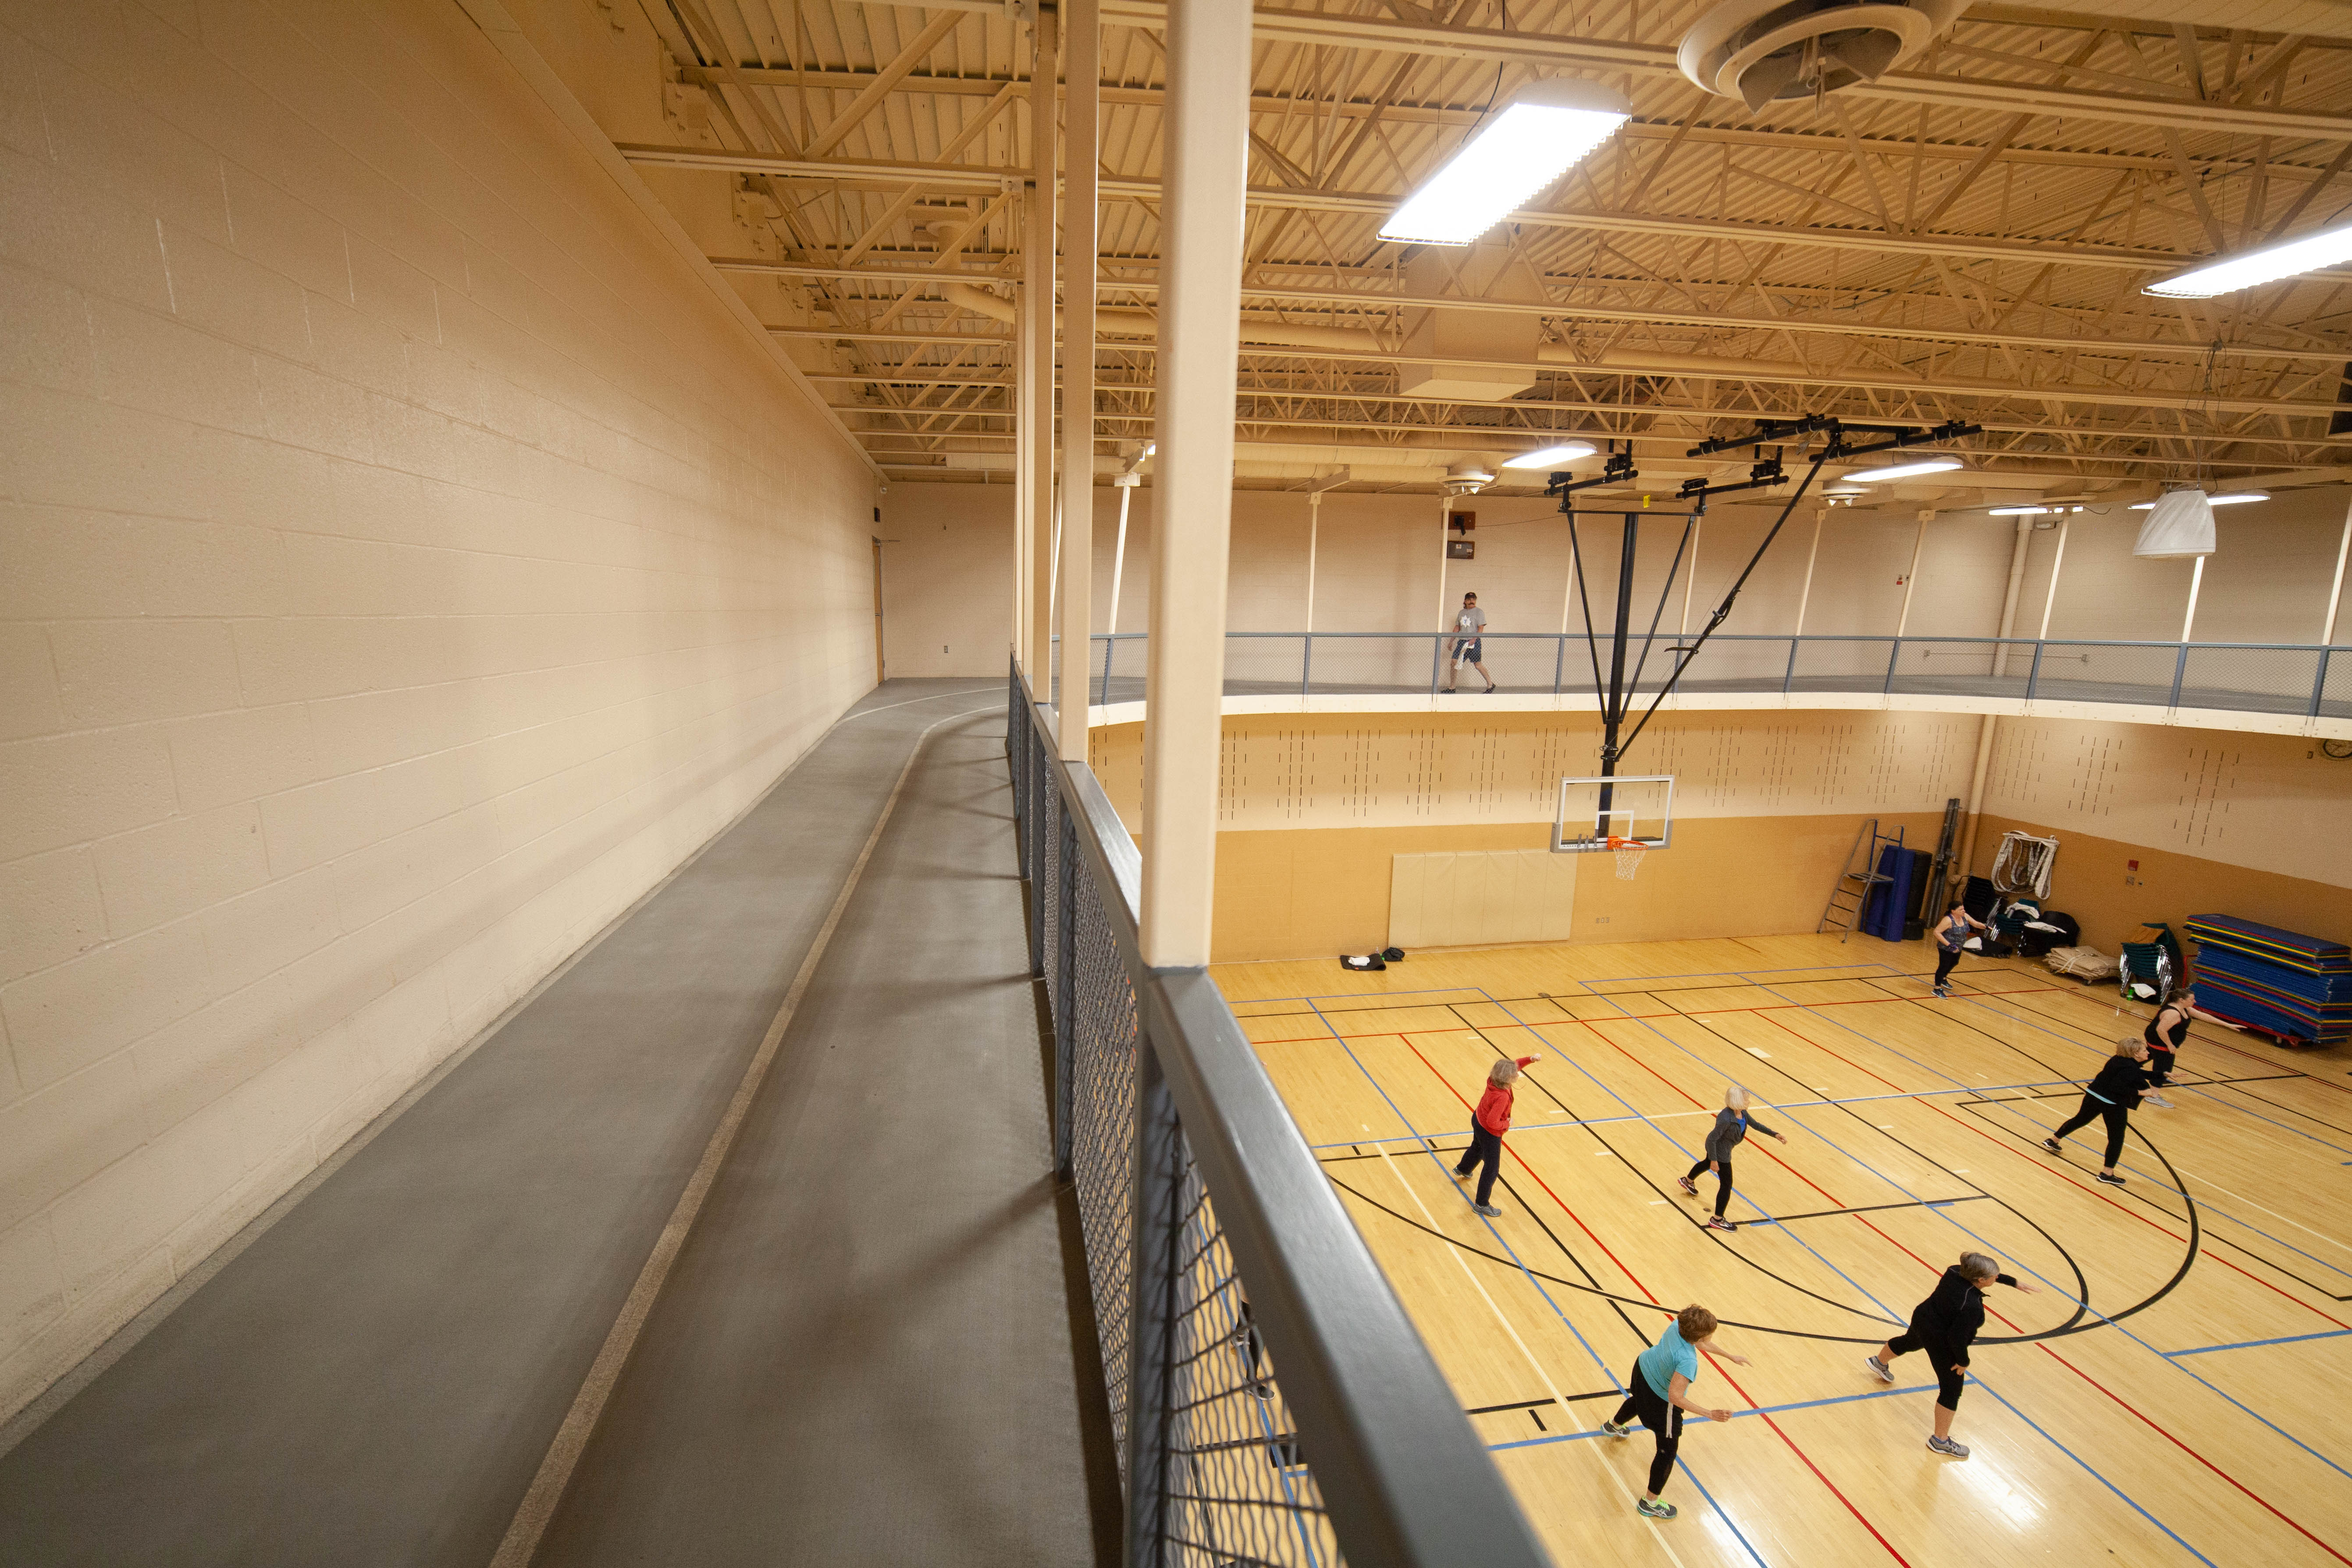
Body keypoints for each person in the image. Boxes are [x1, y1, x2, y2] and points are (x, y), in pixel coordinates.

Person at [1862, 1250, 2039, 1458]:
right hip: (1941, 1337)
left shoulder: (1955, 1271)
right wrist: (1963, 1362)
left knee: (1910, 1341)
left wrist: (2013, 1282)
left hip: (1925, 1317)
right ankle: (1940, 1441)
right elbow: (1957, 1339)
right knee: (1952, 1389)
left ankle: (1879, 1362)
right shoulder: (1971, 1306)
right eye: (1994, 1277)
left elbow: (1989, 1275)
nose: (1997, 1278)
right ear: (1981, 1280)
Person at [1601, 1304, 1747, 1519]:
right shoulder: (1687, 1361)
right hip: (1660, 1398)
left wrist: (1730, 1356)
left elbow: (1702, 1343)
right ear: (1700, 1337)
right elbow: (1675, 1397)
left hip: (1643, 1367)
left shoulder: (1677, 1325)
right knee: (1667, 1452)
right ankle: (1650, 1503)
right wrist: (1710, 1414)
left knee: (1637, 1399)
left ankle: (1612, 1426)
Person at [2042, 1038, 2154, 1184]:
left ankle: (2053, 1140)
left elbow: (2137, 1073)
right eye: (2145, 1050)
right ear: (2135, 1054)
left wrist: (2162, 1075)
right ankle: (2107, 1174)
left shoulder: (2118, 1060)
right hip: (2112, 1103)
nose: (2148, 1052)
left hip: (2093, 1095)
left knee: (2080, 1120)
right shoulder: (2130, 1068)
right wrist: (2141, 1093)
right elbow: (2118, 1087)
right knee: (2116, 1138)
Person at [1676, 1085, 1787, 1232]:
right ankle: (1717, 1219)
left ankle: (1688, 1181)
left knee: (1706, 1163)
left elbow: (1756, 1125)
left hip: (1723, 1150)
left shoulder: (1742, 1113)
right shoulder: (1726, 1119)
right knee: (1726, 1185)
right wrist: (1715, 1161)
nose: (1749, 1102)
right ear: (1737, 1101)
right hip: (1721, 1153)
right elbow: (1711, 1140)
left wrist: (1774, 1134)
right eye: (1746, 1100)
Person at [1452, 1052, 1541, 1216]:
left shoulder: (1494, 1080)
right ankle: (1481, 1204)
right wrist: (1507, 1124)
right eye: (1515, 1074)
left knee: (1477, 1147)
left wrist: (1530, 1059)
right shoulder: (1501, 1097)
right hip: (1490, 1131)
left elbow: (1516, 1064)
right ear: (1508, 1078)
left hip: (1478, 1119)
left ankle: (1463, 1169)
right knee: (1492, 1168)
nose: (1518, 1073)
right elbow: (1494, 1122)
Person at [1930, 901, 1992, 999]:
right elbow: (1937, 932)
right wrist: (1949, 945)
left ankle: (1943, 978)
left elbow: (1975, 924)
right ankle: (1937, 989)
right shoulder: (1948, 920)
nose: (1964, 911)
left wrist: (1984, 927)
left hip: (1958, 947)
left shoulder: (1965, 916)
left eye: (1963, 909)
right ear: (1953, 911)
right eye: (1961, 910)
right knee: (1943, 966)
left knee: (1955, 962)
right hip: (1946, 947)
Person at [2141, 992, 2192, 1109]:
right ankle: (2154, 1096)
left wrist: (2228, 1025)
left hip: (2156, 1041)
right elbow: (2161, 1030)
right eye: (2192, 999)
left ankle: (2121, 1070)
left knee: (2145, 1057)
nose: (2195, 1002)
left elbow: (2202, 1016)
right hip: (2161, 1043)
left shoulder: (2183, 1009)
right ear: (2182, 1000)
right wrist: (2170, 1045)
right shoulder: (2174, 1013)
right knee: (2163, 1067)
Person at [1444, 592, 1494, 693]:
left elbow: (1481, 628)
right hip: (1462, 642)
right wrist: (1452, 641)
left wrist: (1474, 639)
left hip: (1474, 642)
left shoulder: (1479, 612)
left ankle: (1491, 684)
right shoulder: (1461, 613)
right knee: (1454, 662)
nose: (1472, 601)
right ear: (1465, 601)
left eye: (1474, 599)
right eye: (1469, 599)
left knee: (1478, 665)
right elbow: (1457, 627)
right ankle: (1452, 687)